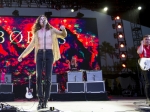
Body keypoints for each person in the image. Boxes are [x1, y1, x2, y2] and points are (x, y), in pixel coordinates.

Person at [18, 15, 67, 110]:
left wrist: (63, 29)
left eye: (44, 19)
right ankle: (40, 100)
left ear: (46, 21)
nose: (42, 20)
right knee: (39, 77)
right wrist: (22, 55)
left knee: (48, 78)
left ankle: (45, 101)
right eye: (41, 19)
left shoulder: (52, 30)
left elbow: (63, 35)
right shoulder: (37, 33)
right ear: (38, 22)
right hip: (40, 54)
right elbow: (31, 46)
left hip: (49, 54)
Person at [137, 35, 150, 105]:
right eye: (146, 39)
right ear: (143, 40)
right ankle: (149, 99)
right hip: (146, 65)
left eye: (148, 39)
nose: (147, 41)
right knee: (148, 82)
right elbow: (139, 52)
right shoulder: (141, 47)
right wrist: (142, 44)